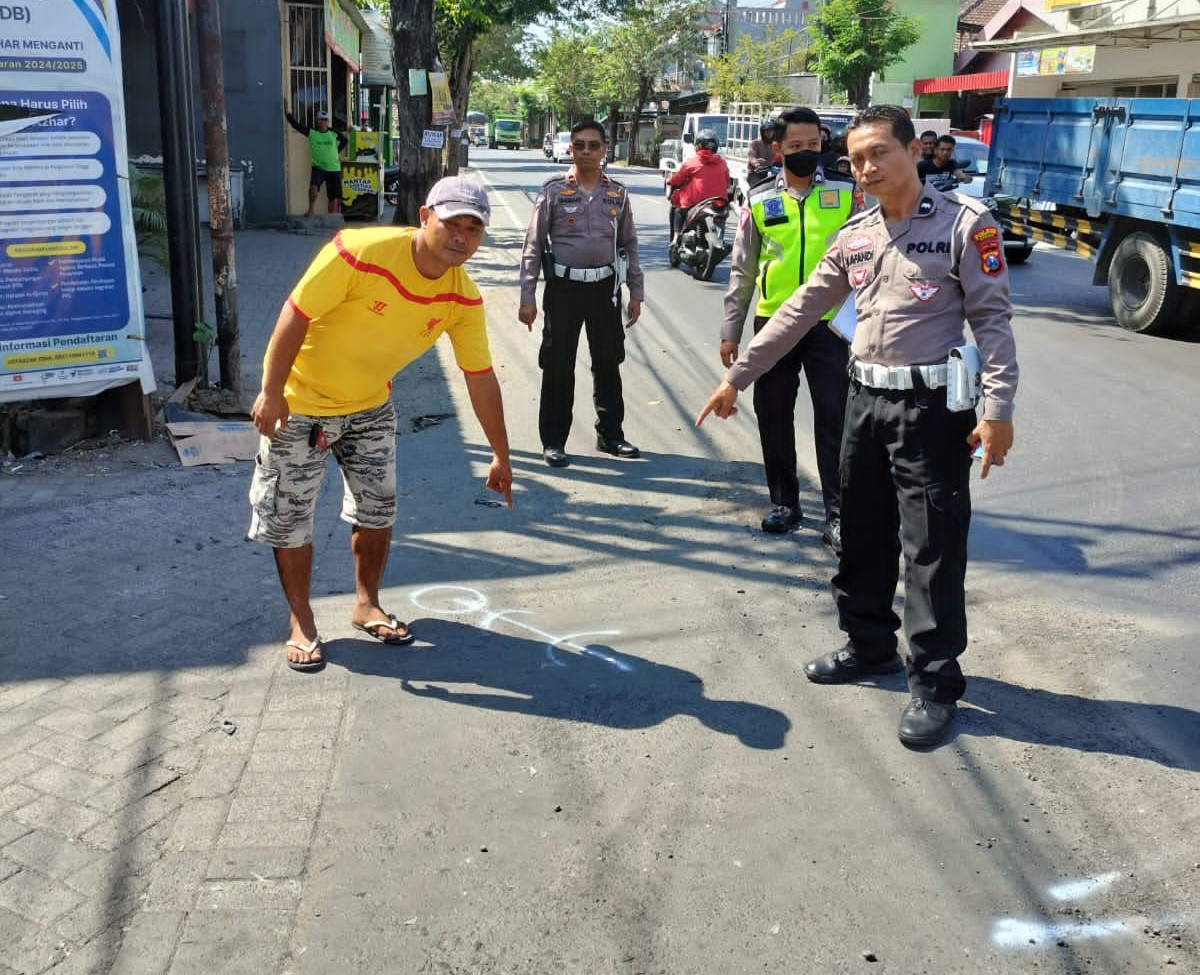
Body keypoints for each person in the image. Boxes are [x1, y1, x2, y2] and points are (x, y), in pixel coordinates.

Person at [698, 104, 1018, 748]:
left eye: (879, 153)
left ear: (913, 151)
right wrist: (739, 376)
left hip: (931, 410)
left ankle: (934, 682)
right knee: (861, 533)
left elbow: (992, 321)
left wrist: (997, 410)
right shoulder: (857, 234)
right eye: (856, 159)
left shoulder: (964, 224)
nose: (866, 168)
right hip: (864, 401)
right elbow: (799, 309)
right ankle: (868, 643)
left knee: (930, 549)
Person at [248, 176, 514, 672]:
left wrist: (500, 453)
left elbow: (479, 376)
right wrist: (271, 390)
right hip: (301, 403)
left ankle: (366, 604)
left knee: (378, 508)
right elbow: (296, 313)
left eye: (473, 229)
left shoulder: (462, 297)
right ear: (424, 217)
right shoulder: (359, 252)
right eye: (451, 224)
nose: (461, 237)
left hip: (370, 407)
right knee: (289, 515)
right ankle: (301, 619)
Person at [721, 106, 858, 551]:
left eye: (813, 144)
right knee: (773, 414)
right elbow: (743, 269)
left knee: (835, 418)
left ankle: (838, 514)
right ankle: (784, 502)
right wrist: (731, 329)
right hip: (774, 322)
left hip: (831, 325)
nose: (806, 152)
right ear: (778, 148)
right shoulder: (759, 197)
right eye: (796, 145)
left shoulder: (846, 191)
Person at [518, 119, 644, 468]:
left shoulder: (618, 193)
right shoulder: (553, 191)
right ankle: (554, 441)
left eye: (593, 145)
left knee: (608, 363)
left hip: (605, 290)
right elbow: (533, 245)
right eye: (580, 145)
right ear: (570, 149)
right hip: (564, 290)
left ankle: (611, 435)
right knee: (557, 365)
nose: (586, 151)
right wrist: (527, 297)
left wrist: (636, 291)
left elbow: (630, 244)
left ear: (605, 150)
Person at [666, 129, 730, 244]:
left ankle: (675, 240)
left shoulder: (692, 161)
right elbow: (727, 184)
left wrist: (670, 182)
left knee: (678, 210)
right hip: (719, 204)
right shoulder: (722, 163)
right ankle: (719, 241)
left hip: (694, 203)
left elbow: (677, 179)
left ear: (698, 145)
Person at [284, 106, 347, 217]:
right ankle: (311, 209)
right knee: (313, 188)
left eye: (325, 120)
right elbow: (296, 126)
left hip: (333, 168)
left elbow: (344, 140)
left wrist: (337, 151)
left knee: (333, 197)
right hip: (318, 168)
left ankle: (330, 217)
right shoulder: (311, 132)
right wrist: (288, 114)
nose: (323, 122)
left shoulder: (333, 132)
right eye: (320, 120)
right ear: (317, 121)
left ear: (327, 122)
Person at [746, 116, 781, 185]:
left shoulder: (776, 144)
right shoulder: (755, 143)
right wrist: (756, 164)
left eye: (771, 131)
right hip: (756, 173)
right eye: (766, 131)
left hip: (772, 173)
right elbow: (752, 156)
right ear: (762, 132)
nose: (769, 133)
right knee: (757, 188)